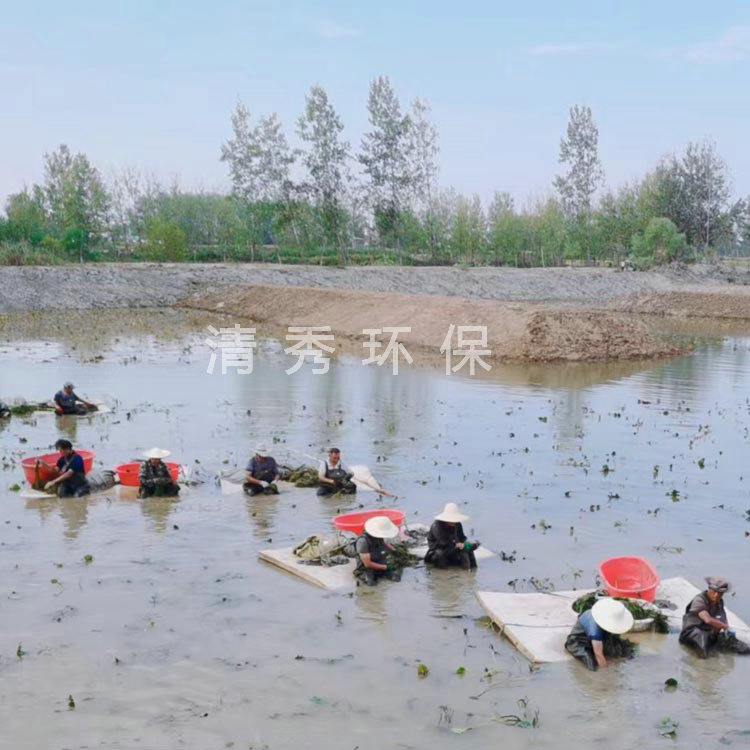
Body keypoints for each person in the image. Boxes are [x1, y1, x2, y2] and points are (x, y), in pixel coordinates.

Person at [679, 577, 750, 658]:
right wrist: (725, 627)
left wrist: (727, 630)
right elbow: (707, 619)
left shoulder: (719, 602)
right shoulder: (699, 600)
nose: (717, 595)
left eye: (720, 593)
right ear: (709, 589)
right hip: (692, 633)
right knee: (704, 650)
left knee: (743, 648)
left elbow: (723, 617)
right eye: (714, 592)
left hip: (709, 633)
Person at [565, 598, 635, 671]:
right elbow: (598, 654)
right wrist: (606, 672)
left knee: (623, 649)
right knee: (590, 661)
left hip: (599, 637)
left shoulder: (607, 615)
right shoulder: (595, 629)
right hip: (579, 641)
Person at [424, 502, 479, 569]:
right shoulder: (437, 525)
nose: (454, 522)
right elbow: (444, 542)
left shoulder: (457, 524)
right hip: (439, 550)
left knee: (468, 550)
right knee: (440, 553)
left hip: (453, 547)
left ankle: (471, 572)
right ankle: (444, 573)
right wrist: (458, 545)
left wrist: (466, 545)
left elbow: (462, 538)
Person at [354, 516, 401, 586]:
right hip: (367, 568)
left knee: (396, 578)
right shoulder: (363, 542)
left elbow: (383, 543)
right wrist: (386, 567)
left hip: (380, 563)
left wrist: (394, 550)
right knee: (371, 584)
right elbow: (367, 563)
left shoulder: (378, 537)